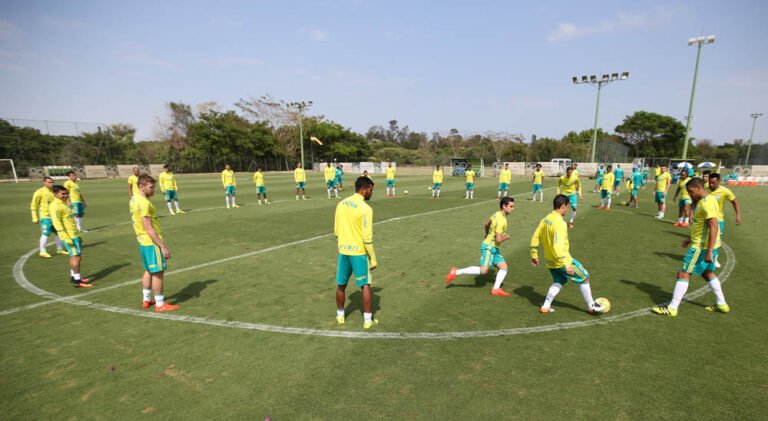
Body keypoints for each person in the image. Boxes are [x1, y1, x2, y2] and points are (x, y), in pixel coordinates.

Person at [651, 177, 728, 317]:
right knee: (707, 273)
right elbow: (703, 226)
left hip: (701, 247)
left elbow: (714, 226)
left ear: (699, 188)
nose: (690, 194)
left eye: (691, 192)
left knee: (683, 273)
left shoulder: (706, 204)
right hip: (706, 244)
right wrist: (689, 239)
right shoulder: (708, 200)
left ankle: (672, 308)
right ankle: (721, 304)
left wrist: (709, 251)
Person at [530, 194, 606, 314]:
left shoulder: (545, 219)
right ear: (562, 206)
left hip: (550, 262)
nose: (568, 209)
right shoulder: (559, 223)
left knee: (559, 281)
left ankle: (546, 305)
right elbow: (557, 246)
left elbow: (535, 237)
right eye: (567, 207)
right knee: (585, 277)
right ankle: (591, 306)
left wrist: (534, 254)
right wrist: (567, 264)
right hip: (562, 261)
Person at [446, 197, 516, 296]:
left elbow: (486, 224)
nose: (513, 208)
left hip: (494, 247)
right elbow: (498, 239)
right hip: (489, 247)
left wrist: (487, 233)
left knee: (504, 267)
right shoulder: (501, 220)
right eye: (511, 206)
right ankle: (456, 272)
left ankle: (495, 289)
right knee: (483, 270)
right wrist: (506, 237)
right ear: (504, 206)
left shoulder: (496, 214)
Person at [129, 174, 180, 312]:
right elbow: (149, 228)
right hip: (151, 241)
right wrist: (162, 246)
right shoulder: (144, 203)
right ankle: (159, 304)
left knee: (148, 270)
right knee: (158, 272)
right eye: (151, 187)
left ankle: (146, 299)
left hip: (142, 241)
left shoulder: (134, 199)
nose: (154, 190)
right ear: (141, 186)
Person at [334, 176, 379, 328]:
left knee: (341, 285)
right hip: (358, 253)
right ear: (364, 189)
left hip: (343, 251)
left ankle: (340, 316)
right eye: (371, 190)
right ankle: (367, 320)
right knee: (365, 285)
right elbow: (367, 238)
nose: (371, 193)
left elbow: (336, 230)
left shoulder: (341, 204)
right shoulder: (366, 209)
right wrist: (373, 258)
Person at [50, 185, 92, 288]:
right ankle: (77, 282)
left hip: (74, 234)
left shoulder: (63, 204)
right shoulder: (55, 206)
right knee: (76, 258)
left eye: (66, 193)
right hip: (70, 236)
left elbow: (70, 220)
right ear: (55, 194)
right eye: (63, 194)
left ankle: (74, 277)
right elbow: (57, 223)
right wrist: (65, 237)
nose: (65, 196)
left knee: (74, 256)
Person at [707, 173, 741, 268]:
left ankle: (714, 258)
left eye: (713, 183)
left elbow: (735, 202)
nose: (711, 185)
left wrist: (738, 216)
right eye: (709, 183)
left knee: (716, 240)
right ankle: (706, 256)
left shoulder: (725, 191)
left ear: (719, 181)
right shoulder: (705, 189)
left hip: (718, 220)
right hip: (705, 219)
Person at [30, 177, 66, 258]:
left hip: (55, 216)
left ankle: (59, 249)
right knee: (46, 233)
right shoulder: (39, 192)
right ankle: (42, 251)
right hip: (45, 217)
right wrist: (34, 217)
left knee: (58, 233)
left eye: (52, 182)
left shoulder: (55, 192)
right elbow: (34, 205)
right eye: (49, 182)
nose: (52, 184)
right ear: (44, 183)